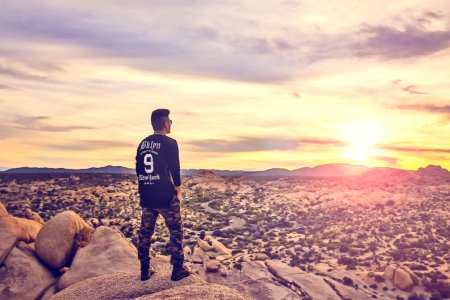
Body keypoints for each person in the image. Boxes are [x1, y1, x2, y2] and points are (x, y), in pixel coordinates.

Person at [135, 109, 190, 281]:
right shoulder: (170, 143)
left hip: (147, 195)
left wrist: (145, 187)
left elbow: (138, 169)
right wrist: (179, 189)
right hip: (165, 195)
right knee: (175, 231)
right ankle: (178, 269)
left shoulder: (142, 143)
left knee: (145, 232)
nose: (171, 123)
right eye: (170, 121)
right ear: (166, 123)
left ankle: (144, 270)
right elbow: (175, 168)